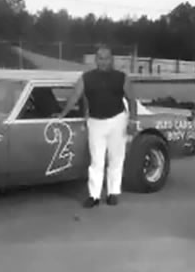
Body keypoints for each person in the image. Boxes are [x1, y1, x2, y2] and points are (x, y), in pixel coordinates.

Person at [59, 44, 138, 208]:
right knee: (97, 160)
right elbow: (74, 97)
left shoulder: (121, 77)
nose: (103, 62)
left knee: (116, 158)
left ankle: (113, 192)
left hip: (117, 120)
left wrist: (132, 121)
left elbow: (132, 100)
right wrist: (62, 114)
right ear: (96, 60)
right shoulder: (86, 78)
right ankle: (94, 195)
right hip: (95, 122)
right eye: (100, 58)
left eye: (106, 58)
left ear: (112, 59)